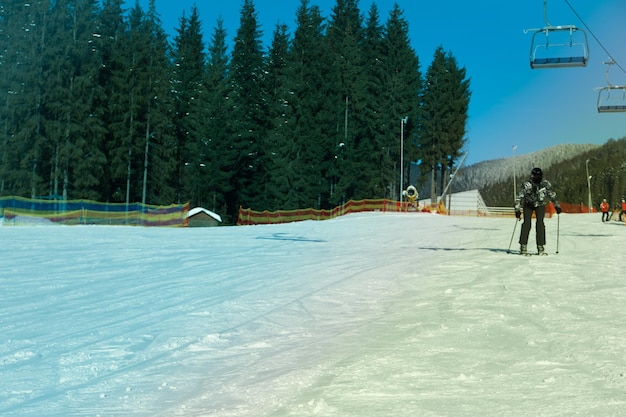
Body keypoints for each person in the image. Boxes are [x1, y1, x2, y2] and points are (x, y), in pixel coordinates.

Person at [514, 167, 561, 255]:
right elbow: (519, 197)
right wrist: (517, 209)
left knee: (540, 224)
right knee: (527, 224)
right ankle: (523, 245)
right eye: (536, 176)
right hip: (528, 205)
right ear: (532, 176)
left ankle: (540, 246)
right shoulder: (527, 185)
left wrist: (557, 205)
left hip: (540, 204)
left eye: (540, 175)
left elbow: (552, 194)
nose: (538, 178)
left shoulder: (545, 184)